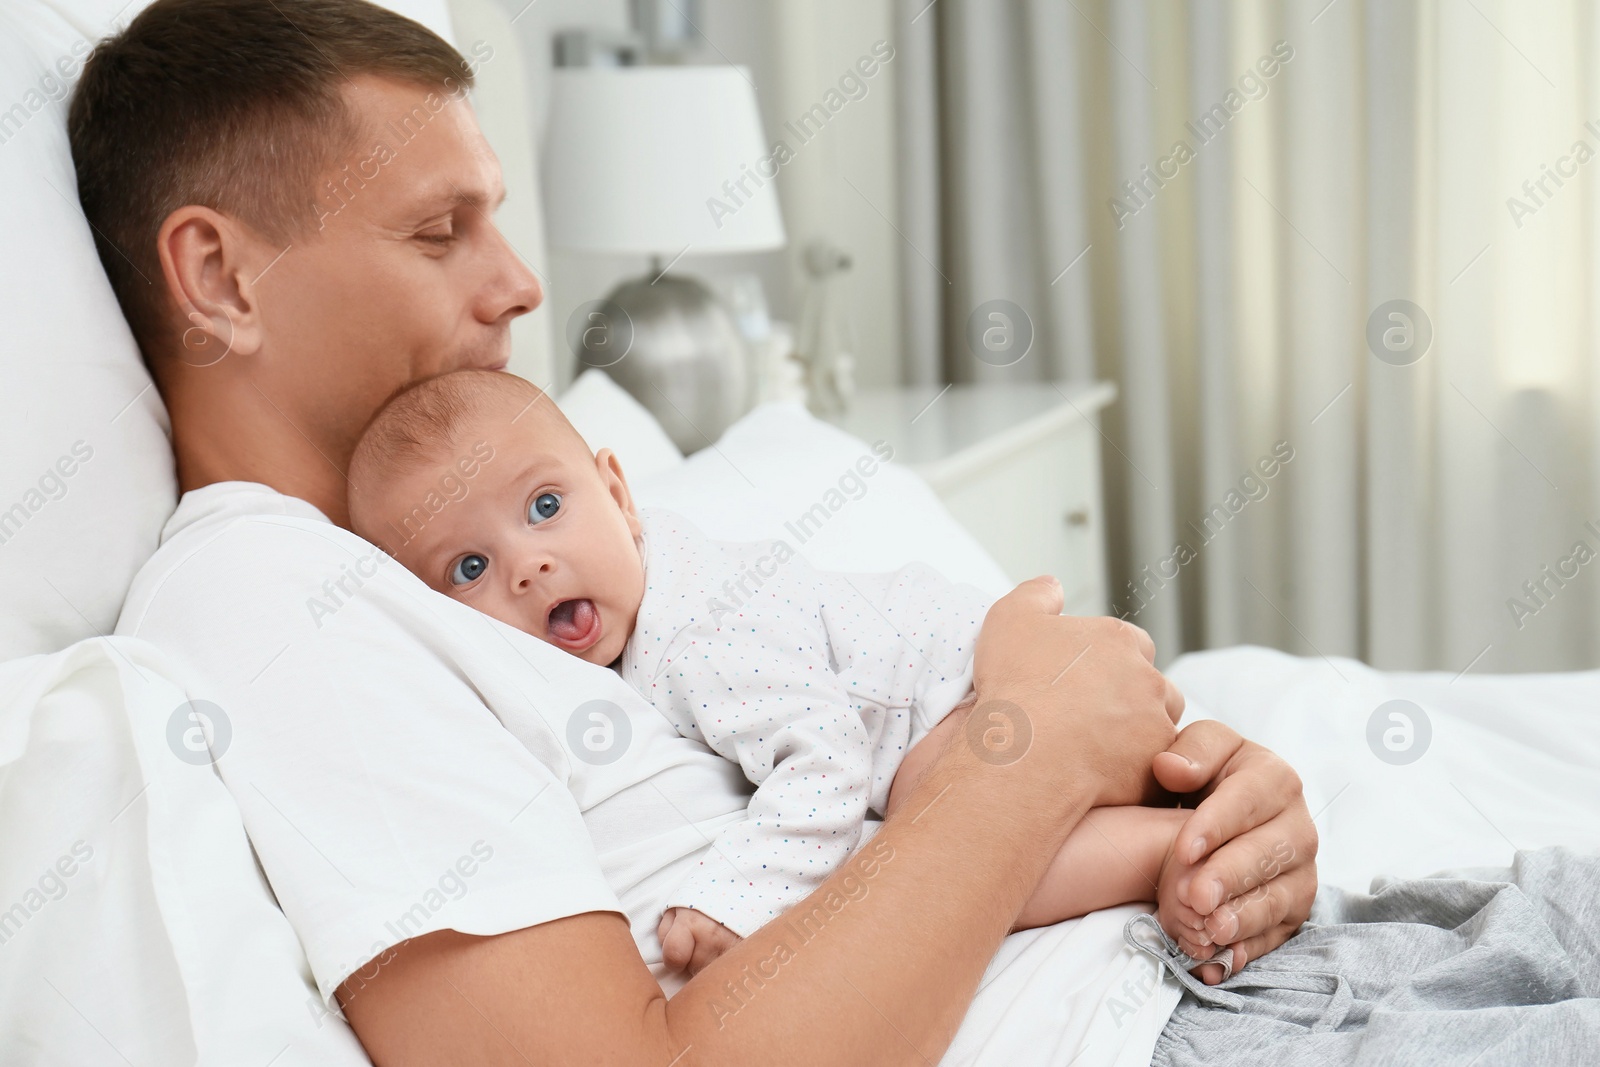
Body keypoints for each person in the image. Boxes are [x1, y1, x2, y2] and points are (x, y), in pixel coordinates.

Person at [74, 1, 1322, 1063]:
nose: (519, 281)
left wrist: (1203, 821)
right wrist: (1034, 747)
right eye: (437, 229)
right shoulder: (270, 596)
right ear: (223, 279)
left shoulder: (488, 551)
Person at [345, 368, 1199, 974]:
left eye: (544, 507)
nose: (527, 567)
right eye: (467, 568)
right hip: (996, 682)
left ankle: (1162, 850)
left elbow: (826, 757)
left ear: (617, 491)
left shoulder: (693, 635)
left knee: (931, 825)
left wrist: (729, 898)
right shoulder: (643, 600)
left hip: (979, 694)